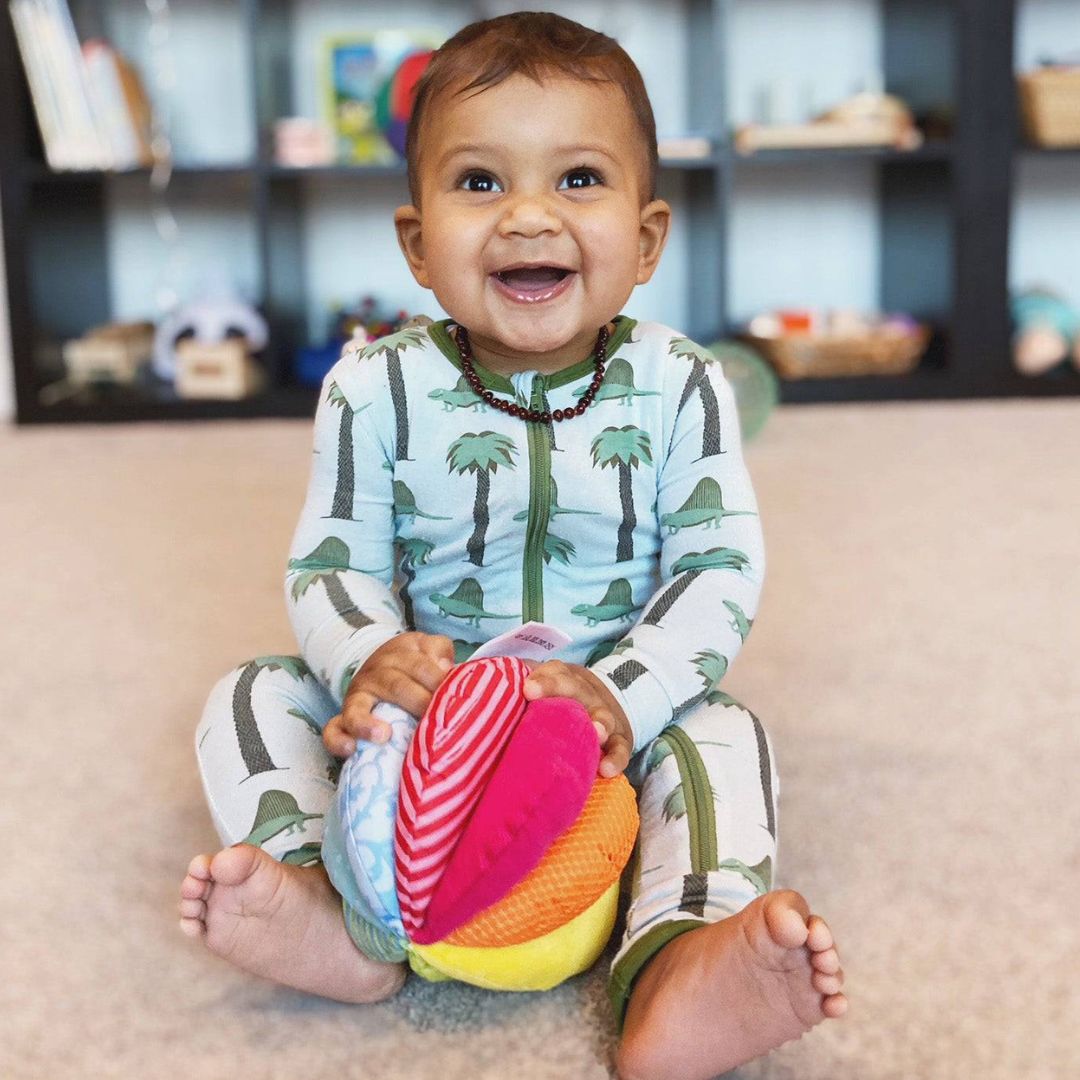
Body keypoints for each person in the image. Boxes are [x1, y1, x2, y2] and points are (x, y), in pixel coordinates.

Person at [178, 13, 846, 1079]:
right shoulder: (372, 387)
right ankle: (329, 902)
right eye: (480, 182)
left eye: (579, 179)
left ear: (647, 239)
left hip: (613, 725)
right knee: (249, 696)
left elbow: (716, 568)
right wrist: (370, 664)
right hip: (427, 724)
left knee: (726, 734)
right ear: (417, 243)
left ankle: (676, 957)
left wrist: (622, 695)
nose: (528, 216)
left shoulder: (683, 385)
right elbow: (333, 562)